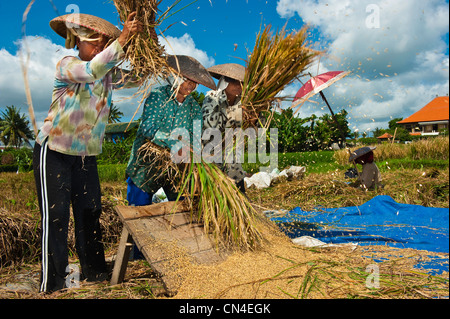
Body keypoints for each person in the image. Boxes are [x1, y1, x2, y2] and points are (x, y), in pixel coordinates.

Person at [32, 12, 144, 293]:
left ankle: (94, 275)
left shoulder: (108, 74)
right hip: (54, 151)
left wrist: (144, 45)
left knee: (89, 214)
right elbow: (92, 70)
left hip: (86, 157)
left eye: (96, 43)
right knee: (57, 218)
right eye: (87, 42)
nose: (90, 47)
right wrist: (123, 39)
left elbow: (137, 79)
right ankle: (53, 285)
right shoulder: (68, 65)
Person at [126, 55, 216, 208]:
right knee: (138, 214)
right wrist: (176, 144)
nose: (191, 85)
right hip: (145, 168)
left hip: (176, 170)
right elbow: (149, 128)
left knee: (184, 210)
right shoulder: (158, 96)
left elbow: (195, 138)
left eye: (194, 82)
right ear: (175, 78)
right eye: (187, 80)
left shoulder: (194, 107)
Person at [201, 63, 247, 193]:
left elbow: (250, 130)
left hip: (231, 152)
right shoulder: (212, 97)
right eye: (235, 83)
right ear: (225, 83)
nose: (239, 87)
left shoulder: (242, 103)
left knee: (238, 187)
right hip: (212, 149)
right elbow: (209, 126)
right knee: (216, 188)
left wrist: (252, 118)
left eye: (242, 83)